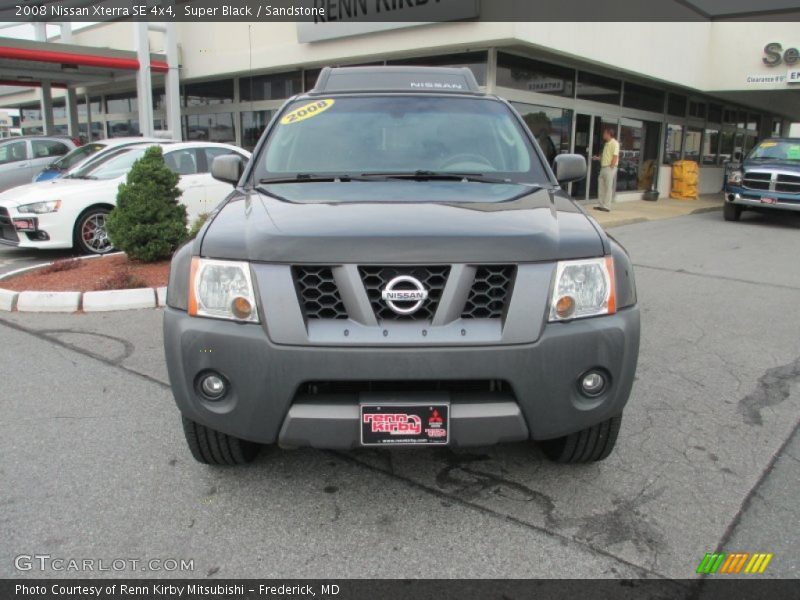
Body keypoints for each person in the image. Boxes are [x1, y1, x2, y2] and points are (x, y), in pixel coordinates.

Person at [593, 127, 619, 212]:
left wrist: (611, 166)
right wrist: (598, 158)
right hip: (603, 167)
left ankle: (607, 206)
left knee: (608, 187)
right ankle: (601, 205)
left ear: (608, 134)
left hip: (609, 168)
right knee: (601, 187)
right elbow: (605, 155)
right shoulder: (606, 143)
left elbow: (615, 156)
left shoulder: (615, 143)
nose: (603, 135)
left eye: (604, 133)